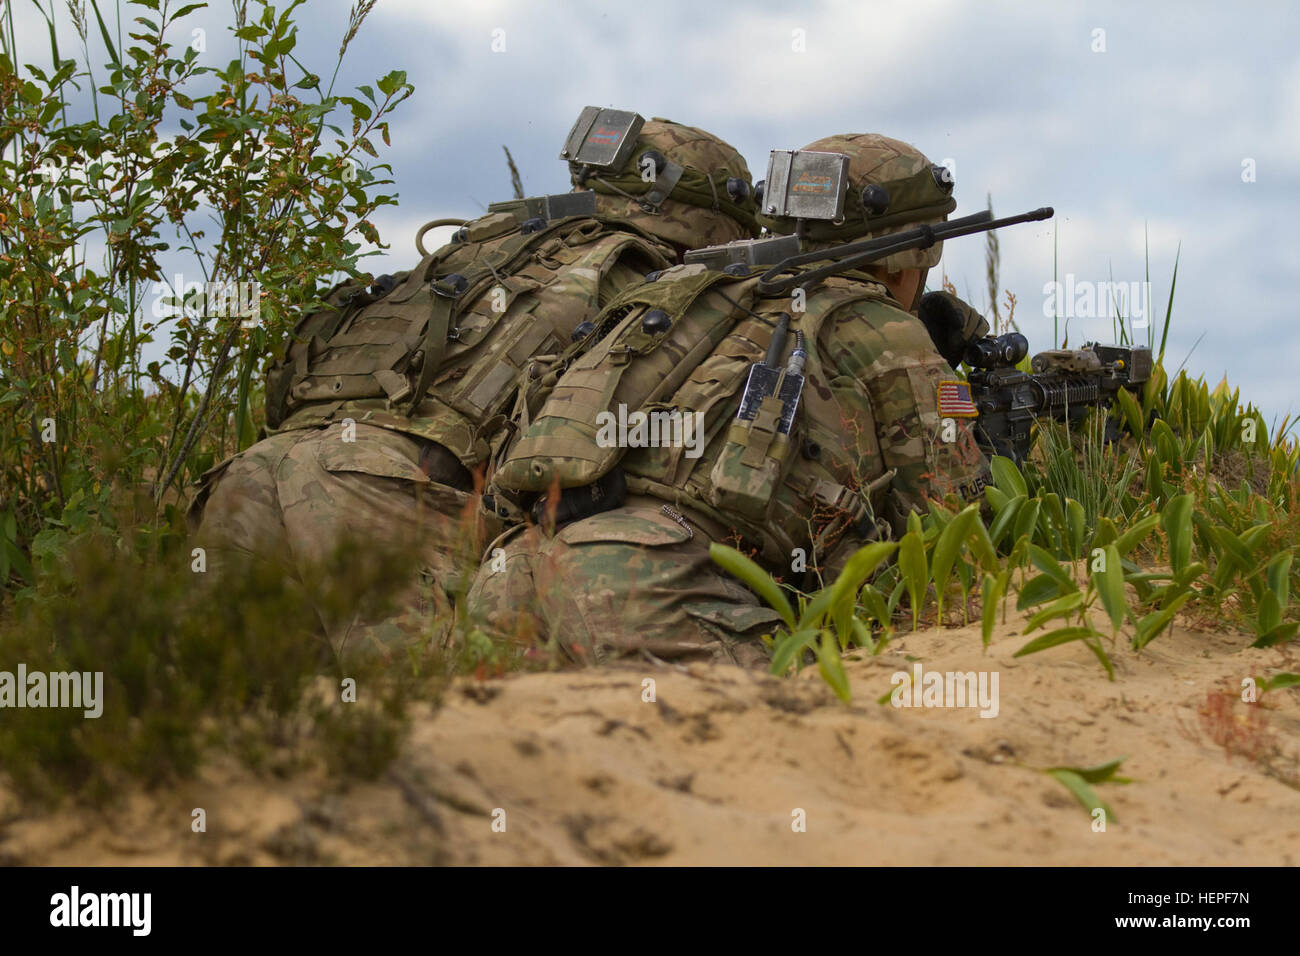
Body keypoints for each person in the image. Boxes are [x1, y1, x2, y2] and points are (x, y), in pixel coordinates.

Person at [187, 108, 759, 660]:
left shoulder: (502, 242)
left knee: (246, 705)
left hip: (257, 467)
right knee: (430, 705)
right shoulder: (645, 277)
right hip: (377, 487)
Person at [467, 133, 991, 665]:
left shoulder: (689, 294)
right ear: (907, 261)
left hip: (516, 575)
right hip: (656, 594)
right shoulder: (886, 333)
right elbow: (951, 538)